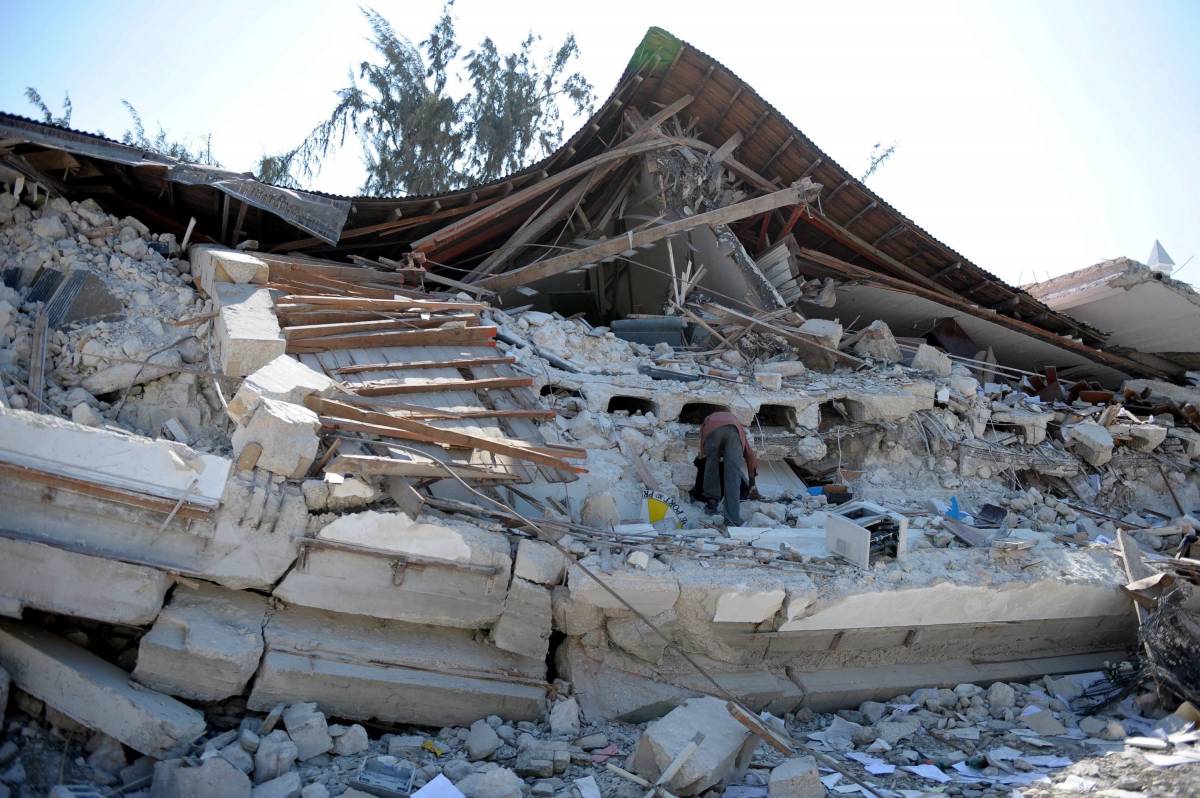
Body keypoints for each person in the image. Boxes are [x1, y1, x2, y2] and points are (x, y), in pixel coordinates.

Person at [692, 410, 758, 525]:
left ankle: (712, 503)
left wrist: (706, 454)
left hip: (712, 429)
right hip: (733, 430)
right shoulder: (741, 433)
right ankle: (733, 518)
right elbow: (750, 456)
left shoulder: (708, 419)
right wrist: (752, 483)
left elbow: (703, 443)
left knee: (711, 465)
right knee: (733, 475)